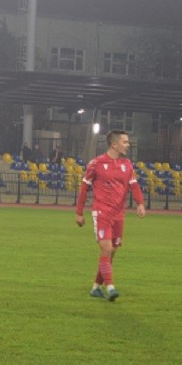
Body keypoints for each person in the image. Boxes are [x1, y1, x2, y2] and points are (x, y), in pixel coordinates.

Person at [75, 129, 146, 301]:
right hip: (102, 212)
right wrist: (79, 212)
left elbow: (134, 185)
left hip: (118, 214)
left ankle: (96, 287)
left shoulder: (127, 164)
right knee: (106, 248)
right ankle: (110, 287)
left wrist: (140, 203)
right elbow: (84, 188)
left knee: (111, 252)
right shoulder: (96, 163)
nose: (128, 145)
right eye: (125, 142)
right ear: (114, 144)